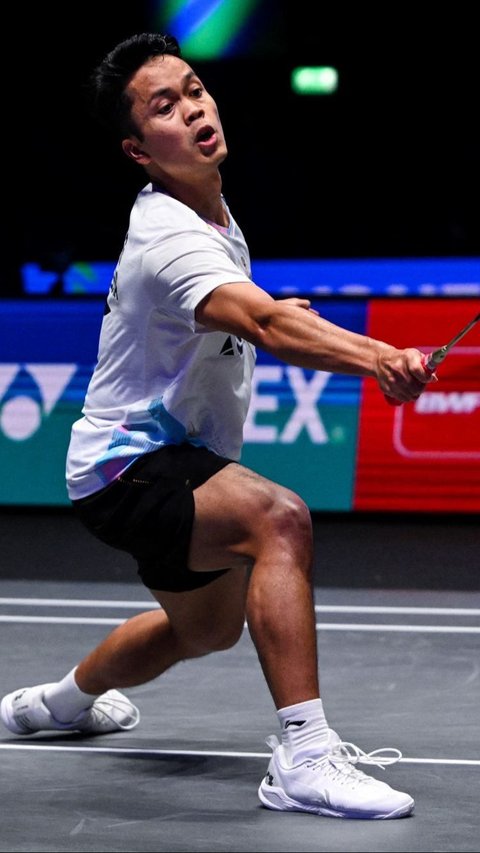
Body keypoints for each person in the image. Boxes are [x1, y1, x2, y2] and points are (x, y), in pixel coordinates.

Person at [1, 33, 433, 819]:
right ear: (138, 149)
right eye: (165, 107)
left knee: (202, 629)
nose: (193, 108)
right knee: (280, 519)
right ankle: (304, 756)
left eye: (194, 88)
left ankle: (54, 703)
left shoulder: (214, 217)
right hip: (130, 465)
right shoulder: (168, 237)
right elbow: (263, 322)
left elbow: (247, 314)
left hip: (149, 459)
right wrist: (378, 356)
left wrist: (268, 318)